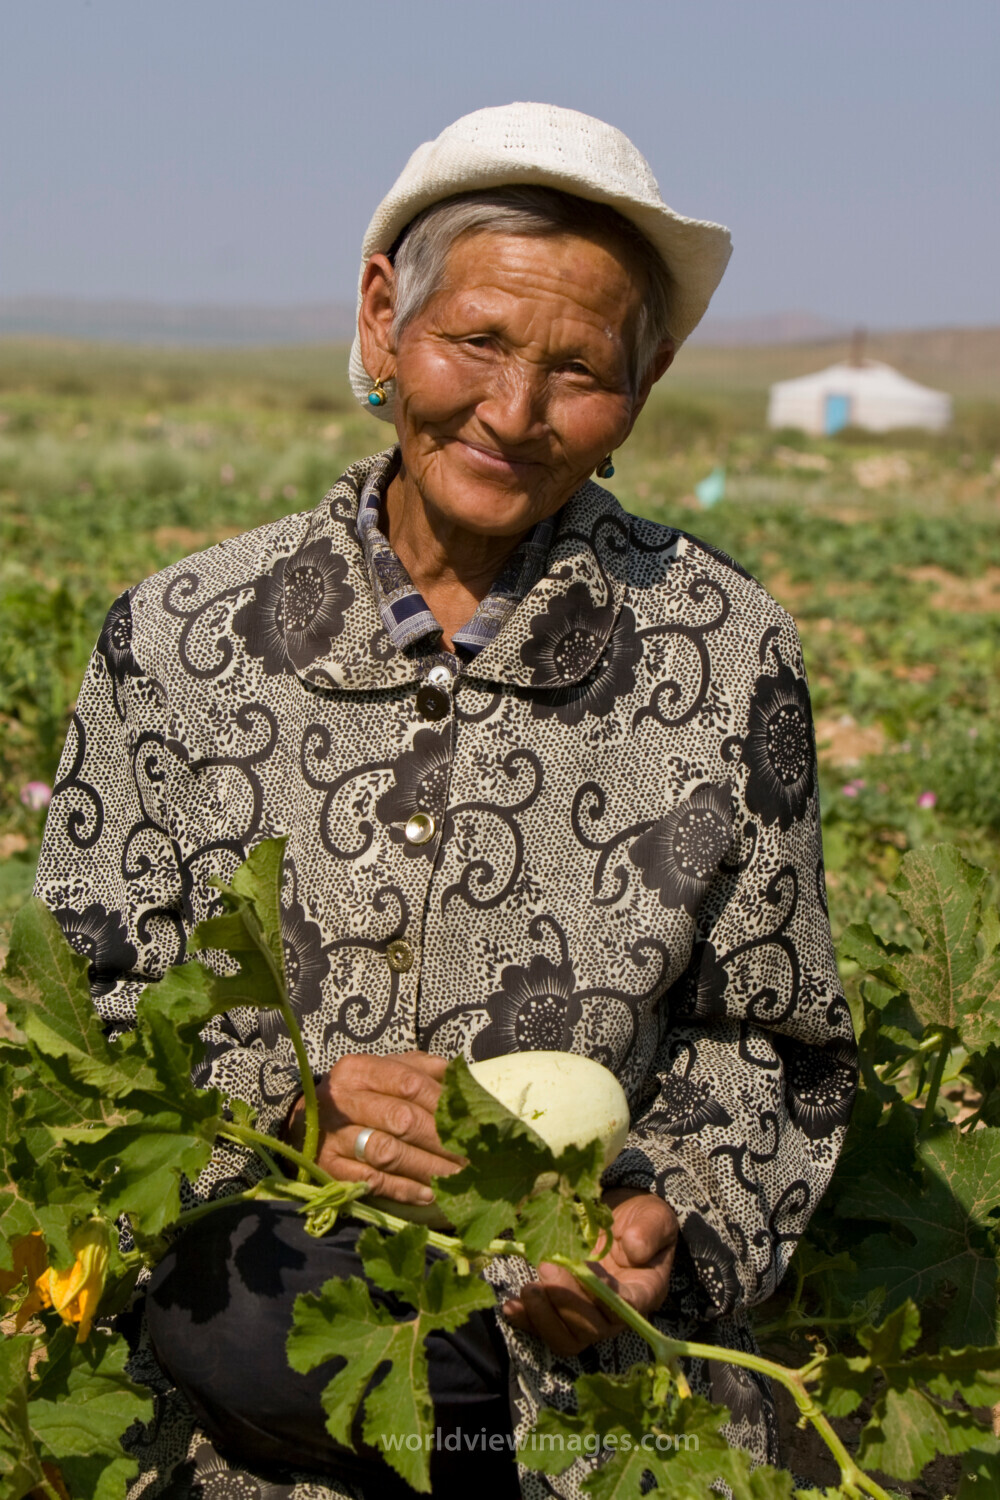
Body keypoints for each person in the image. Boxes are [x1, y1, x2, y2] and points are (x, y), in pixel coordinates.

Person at [35, 102, 857, 1498]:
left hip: (584, 1424)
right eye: (475, 341)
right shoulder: (182, 640)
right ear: (379, 321)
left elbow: (772, 1039)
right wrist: (285, 1113)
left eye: (580, 370)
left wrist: (675, 1220)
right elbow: (87, 1008)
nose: (514, 413)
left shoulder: (725, 655)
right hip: (244, 1410)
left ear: (643, 391)